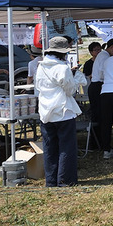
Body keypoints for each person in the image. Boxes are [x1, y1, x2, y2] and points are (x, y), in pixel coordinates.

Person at [33, 36, 85, 187]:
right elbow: (70, 90)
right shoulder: (62, 68)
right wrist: (75, 79)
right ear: (63, 53)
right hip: (63, 111)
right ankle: (65, 180)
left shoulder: (40, 67)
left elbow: (38, 88)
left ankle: (51, 180)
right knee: (66, 147)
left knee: (50, 148)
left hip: (45, 111)